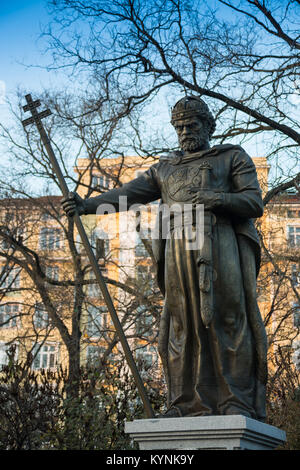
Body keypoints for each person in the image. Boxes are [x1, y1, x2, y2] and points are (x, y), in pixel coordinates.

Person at [62, 96, 267, 421]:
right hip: (177, 246)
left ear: (208, 126)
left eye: (192, 125)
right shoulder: (165, 168)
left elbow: (254, 202)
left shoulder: (230, 157)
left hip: (219, 240)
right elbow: (128, 194)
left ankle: (236, 401)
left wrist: (217, 198)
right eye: (179, 126)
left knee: (228, 319)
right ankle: (185, 403)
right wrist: (87, 205)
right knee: (181, 324)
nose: (185, 131)